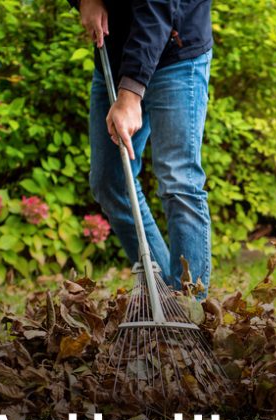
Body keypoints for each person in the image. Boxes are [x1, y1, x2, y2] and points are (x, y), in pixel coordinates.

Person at [72, 0, 213, 291]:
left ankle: (189, 304)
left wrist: (131, 93)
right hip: (115, 54)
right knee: (110, 182)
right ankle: (166, 295)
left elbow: (158, 6)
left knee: (178, 180)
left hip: (176, 51)